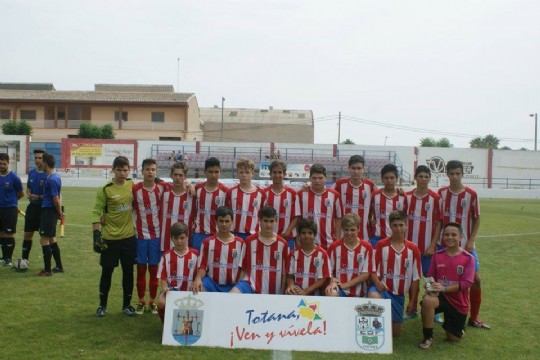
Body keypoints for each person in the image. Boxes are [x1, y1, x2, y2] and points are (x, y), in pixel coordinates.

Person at [438, 160, 489, 329]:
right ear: (447, 174)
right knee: (445, 281)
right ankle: (443, 313)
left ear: (462, 174)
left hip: (466, 246)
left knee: (476, 280)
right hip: (445, 246)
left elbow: (478, 218)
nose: (454, 177)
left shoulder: (471, 194)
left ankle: (474, 318)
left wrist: (472, 240)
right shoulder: (441, 193)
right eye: (451, 173)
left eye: (457, 173)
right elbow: (438, 219)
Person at [92, 156, 137, 317]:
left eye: (125, 170)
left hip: (129, 238)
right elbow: (97, 211)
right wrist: (96, 235)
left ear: (129, 171)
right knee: (107, 272)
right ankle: (102, 305)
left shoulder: (133, 186)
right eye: (119, 170)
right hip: (110, 238)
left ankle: (127, 305)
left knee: (128, 272)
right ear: (113, 170)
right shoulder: (105, 188)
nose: (122, 173)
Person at [418, 222, 475, 349]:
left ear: (461, 237)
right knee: (427, 301)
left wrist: (445, 288)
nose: (450, 237)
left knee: (453, 338)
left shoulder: (468, 258)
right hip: (441, 298)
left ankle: (458, 328)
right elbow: (429, 277)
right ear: (443, 237)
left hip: (459, 302)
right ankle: (428, 337)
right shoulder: (437, 256)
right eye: (447, 234)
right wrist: (430, 289)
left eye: (454, 235)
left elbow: (467, 283)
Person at [369, 210, 421, 337]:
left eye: (401, 225)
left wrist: (413, 301)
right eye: (395, 225)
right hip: (382, 290)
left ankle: (389, 319)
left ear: (406, 225)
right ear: (390, 226)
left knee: (395, 334)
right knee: (374, 297)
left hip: (398, 295)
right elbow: (372, 269)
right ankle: (375, 325)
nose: (398, 229)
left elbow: (416, 278)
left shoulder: (413, 248)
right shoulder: (381, 245)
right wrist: (377, 283)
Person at [403, 165, 442, 320]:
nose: (424, 179)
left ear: (429, 178)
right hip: (411, 248)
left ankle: (435, 311)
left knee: (430, 279)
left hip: (428, 248)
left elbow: (439, 222)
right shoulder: (406, 197)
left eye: (426, 176)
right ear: (415, 178)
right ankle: (412, 309)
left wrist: (433, 244)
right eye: (421, 176)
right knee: (413, 279)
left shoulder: (436, 198)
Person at [132, 158, 167, 315]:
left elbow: (179, 186)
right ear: (142, 171)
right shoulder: (135, 189)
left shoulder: (162, 188)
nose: (150, 172)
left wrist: (189, 185)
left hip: (156, 237)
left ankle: (152, 301)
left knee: (154, 271)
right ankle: (140, 301)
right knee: (140, 270)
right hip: (140, 236)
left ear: (156, 171)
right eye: (147, 169)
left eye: (153, 169)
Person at [231, 206, 289, 294]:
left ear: (276, 221)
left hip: (273, 290)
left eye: (271, 221)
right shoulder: (249, 241)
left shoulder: (283, 244)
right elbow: (243, 268)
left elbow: (284, 274)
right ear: (259, 221)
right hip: (250, 285)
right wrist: (237, 285)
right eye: (265, 221)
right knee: (233, 294)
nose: (268, 225)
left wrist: (282, 293)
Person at [191, 206, 243, 293]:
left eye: (227, 221)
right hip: (212, 283)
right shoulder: (207, 242)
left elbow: (243, 269)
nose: (224, 224)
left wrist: (239, 283)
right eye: (221, 221)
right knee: (198, 289)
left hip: (233, 284)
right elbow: (202, 267)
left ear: (232, 222)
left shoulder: (240, 243)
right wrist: (198, 278)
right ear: (216, 222)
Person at [156, 222, 199, 322]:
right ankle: (165, 324)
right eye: (176, 238)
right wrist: (165, 288)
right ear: (171, 238)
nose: (179, 241)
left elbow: (199, 275)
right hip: (172, 290)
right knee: (161, 302)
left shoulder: (195, 254)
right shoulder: (166, 256)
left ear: (187, 237)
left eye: (182, 238)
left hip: (190, 290)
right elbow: (163, 278)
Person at [297, 163, 342, 251]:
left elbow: (338, 218)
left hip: (328, 243)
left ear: (326, 178)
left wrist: (337, 240)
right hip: (305, 244)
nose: (317, 181)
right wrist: (298, 239)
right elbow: (297, 219)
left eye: (320, 178)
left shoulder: (334, 195)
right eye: (314, 178)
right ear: (310, 178)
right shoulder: (301, 194)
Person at [325, 213, 372, 297]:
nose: (349, 233)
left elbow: (366, 274)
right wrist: (332, 281)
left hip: (360, 292)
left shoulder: (367, 247)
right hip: (339, 290)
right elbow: (329, 270)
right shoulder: (334, 247)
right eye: (346, 230)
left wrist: (344, 285)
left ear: (358, 229)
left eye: (352, 230)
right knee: (330, 292)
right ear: (342, 229)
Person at [333, 155, 377, 241]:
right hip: (343, 234)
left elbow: (382, 195)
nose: (356, 171)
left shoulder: (370, 185)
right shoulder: (339, 184)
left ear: (363, 169)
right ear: (348, 168)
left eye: (359, 168)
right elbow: (326, 194)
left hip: (364, 234)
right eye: (353, 168)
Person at [285, 218, 331, 296]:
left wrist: (306, 291)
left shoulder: (322, 254)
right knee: (289, 292)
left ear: (315, 235)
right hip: (298, 290)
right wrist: (290, 285)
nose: (307, 236)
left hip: (316, 293)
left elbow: (323, 279)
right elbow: (290, 276)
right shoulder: (293, 254)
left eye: (310, 233)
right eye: (303, 233)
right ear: (299, 234)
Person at [192, 157, 229, 251]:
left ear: (220, 172)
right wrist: (188, 185)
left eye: (216, 172)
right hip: (199, 234)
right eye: (210, 171)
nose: (213, 175)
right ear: (205, 172)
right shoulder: (197, 188)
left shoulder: (226, 191)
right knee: (198, 264)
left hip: (218, 235)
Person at [37, 153, 64, 276]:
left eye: (41, 162)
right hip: (50, 211)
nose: (39, 164)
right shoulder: (55, 177)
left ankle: (47, 270)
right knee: (52, 239)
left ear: (46, 164)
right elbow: (58, 196)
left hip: (49, 211)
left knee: (43, 240)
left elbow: (56, 199)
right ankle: (59, 266)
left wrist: (59, 212)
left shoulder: (52, 179)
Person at [18, 149, 47, 268]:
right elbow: (29, 187)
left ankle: (47, 265)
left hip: (44, 209)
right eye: (36, 158)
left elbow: (51, 195)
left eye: (40, 158)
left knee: (45, 237)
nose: (37, 160)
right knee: (27, 234)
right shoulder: (32, 173)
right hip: (32, 208)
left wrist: (38, 197)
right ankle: (25, 260)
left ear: (44, 159)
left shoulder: (47, 174)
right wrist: (29, 193)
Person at [225, 158, 266, 239]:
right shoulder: (231, 192)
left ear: (252, 173)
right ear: (237, 173)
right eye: (241, 172)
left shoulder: (261, 193)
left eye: (247, 172)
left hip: (253, 234)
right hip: (234, 234)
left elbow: (262, 215)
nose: (244, 175)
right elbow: (226, 213)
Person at [263, 160, 300, 249]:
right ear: (270, 174)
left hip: (287, 237)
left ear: (284, 174)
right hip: (268, 236)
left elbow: (296, 216)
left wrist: (287, 232)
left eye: (280, 172)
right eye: (274, 172)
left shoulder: (292, 193)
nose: (277, 175)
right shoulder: (264, 193)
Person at [159, 162, 195, 253]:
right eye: (175, 175)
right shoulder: (164, 192)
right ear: (171, 176)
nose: (178, 178)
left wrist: (190, 185)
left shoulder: (192, 195)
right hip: (165, 242)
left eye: (180, 175)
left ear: (185, 176)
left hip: (184, 243)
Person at [369, 163, 407, 248]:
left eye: (392, 178)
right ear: (382, 179)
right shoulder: (375, 195)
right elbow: (369, 215)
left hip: (397, 238)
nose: (389, 180)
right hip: (377, 238)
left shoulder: (403, 197)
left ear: (396, 179)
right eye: (386, 178)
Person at [0, 153, 24, 267]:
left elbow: (21, 193)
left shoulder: (14, 177)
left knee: (9, 234)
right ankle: (3, 258)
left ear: (8, 163)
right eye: (0, 163)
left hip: (10, 210)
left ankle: (8, 259)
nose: (2, 166)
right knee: (1, 234)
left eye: (4, 164)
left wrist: (12, 201)